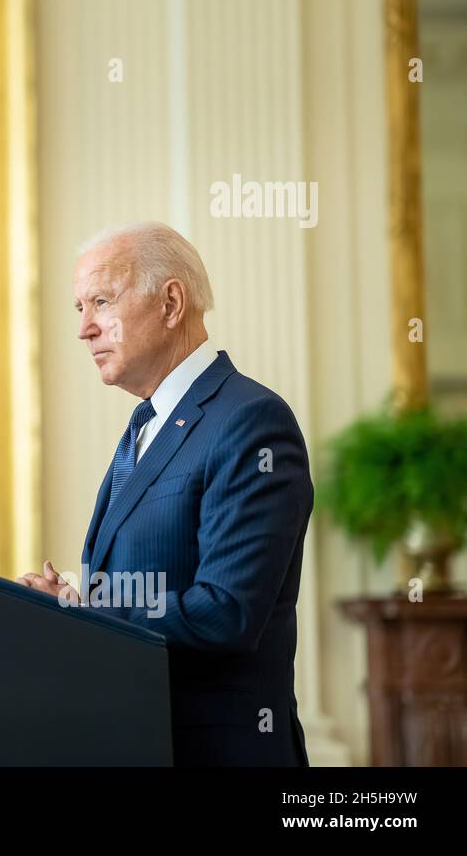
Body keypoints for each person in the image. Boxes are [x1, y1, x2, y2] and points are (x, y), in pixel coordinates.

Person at [18, 222, 311, 766]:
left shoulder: (250, 422)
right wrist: (78, 607)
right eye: (78, 307)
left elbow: (226, 612)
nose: (83, 329)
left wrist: (83, 613)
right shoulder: (144, 424)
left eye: (101, 302)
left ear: (171, 302)